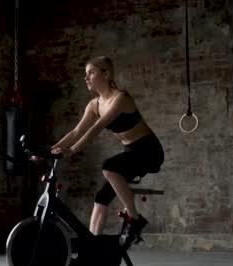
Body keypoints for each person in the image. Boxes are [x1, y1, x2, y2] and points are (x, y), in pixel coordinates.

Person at [50, 56, 164, 246]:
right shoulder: (94, 105)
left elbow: (96, 128)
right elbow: (76, 131)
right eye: (85, 74)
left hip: (149, 151)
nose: (86, 78)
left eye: (91, 73)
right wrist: (50, 150)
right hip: (131, 152)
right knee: (101, 197)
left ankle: (134, 219)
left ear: (106, 73)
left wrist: (71, 150)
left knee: (109, 166)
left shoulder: (120, 98)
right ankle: (91, 245)